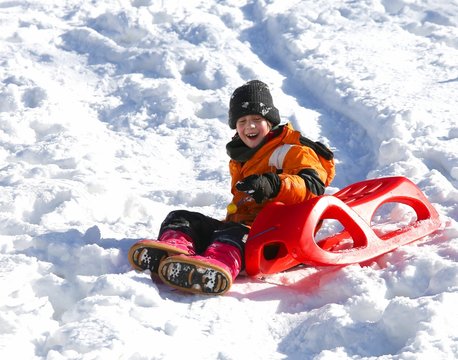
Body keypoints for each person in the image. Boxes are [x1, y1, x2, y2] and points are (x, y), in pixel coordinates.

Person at [128, 80, 335, 295]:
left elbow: (313, 187)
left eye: (257, 119)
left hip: (275, 235)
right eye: (242, 121)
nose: (250, 126)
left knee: (232, 235)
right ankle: (174, 252)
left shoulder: (293, 151)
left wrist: (275, 184)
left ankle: (215, 267)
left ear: (270, 121)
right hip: (241, 227)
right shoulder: (243, 156)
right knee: (180, 217)